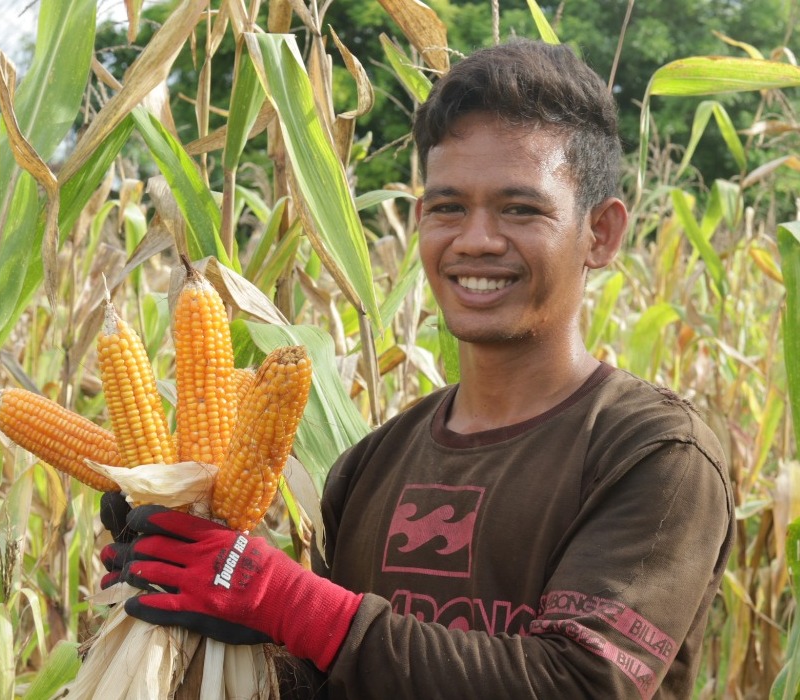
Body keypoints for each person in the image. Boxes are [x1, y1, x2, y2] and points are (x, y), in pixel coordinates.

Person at [100, 38, 733, 698]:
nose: (476, 239)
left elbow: (580, 684)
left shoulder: (654, 454)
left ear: (600, 233)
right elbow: (331, 678)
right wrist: (192, 616)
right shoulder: (372, 464)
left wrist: (292, 603)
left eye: (520, 208)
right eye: (447, 207)